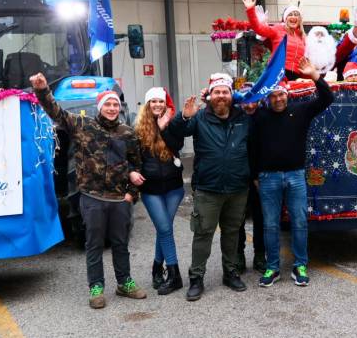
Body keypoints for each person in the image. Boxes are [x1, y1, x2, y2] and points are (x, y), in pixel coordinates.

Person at [29, 73, 146, 309]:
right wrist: (42, 90)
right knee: (93, 245)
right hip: (92, 198)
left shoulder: (127, 133)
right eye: (108, 105)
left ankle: (124, 283)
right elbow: (56, 112)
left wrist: (131, 194)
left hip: (118, 199)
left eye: (115, 104)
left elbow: (136, 164)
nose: (112, 108)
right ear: (100, 108)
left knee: (120, 244)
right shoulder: (82, 125)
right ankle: (96, 287)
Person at [250, 58, 334, 287]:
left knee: (299, 221)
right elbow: (252, 147)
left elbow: (328, 98)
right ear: (268, 97)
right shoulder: (260, 117)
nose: (278, 99)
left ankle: (300, 265)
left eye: (281, 94)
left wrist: (314, 75)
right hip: (268, 178)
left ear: (287, 94)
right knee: (270, 224)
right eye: (274, 95)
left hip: (296, 175)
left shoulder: (301, 111)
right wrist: (255, 175)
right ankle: (272, 267)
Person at [169, 73, 250, 301]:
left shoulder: (244, 117)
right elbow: (175, 133)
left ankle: (230, 272)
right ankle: (196, 278)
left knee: (232, 233)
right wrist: (183, 117)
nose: (221, 96)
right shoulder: (200, 118)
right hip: (208, 188)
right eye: (217, 92)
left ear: (231, 95)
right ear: (210, 95)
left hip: (237, 188)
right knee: (203, 235)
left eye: (225, 92)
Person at [132, 87, 186, 295]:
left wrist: (164, 128)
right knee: (164, 228)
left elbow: (177, 144)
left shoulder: (173, 125)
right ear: (147, 105)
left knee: (164, 229)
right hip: (151, 189)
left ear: (165, 104)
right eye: (153, 101)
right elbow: (133, 155)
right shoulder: (137, 129)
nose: (157, 105)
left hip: (174, 188)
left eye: (160, 102)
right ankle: (175, 276)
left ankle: (157, 267)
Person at [243, 0, 306, 80]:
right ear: (285, 18)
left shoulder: (302, 37)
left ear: (300, 19)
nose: (293, 17)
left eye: (296, 15)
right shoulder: (278, 29)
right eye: (290, 15)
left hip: (297, 76)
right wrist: (250, 10)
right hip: (278, 73)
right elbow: (259, 28)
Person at [237, 98, 266, 274]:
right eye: (246, 101)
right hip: (239, 177)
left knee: (260, 218)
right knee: (237, 218)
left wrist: (258, 175)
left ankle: (260, 255)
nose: (249, 105)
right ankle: (238, 255)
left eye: (252, 101)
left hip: (260, 177)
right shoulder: (235, 118)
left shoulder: (264, 117)